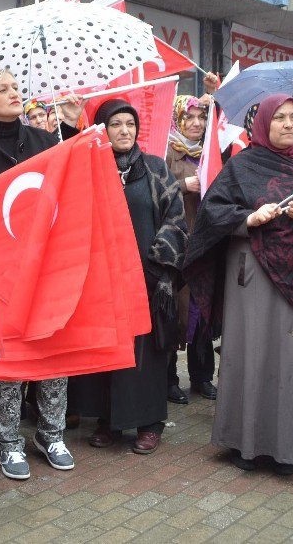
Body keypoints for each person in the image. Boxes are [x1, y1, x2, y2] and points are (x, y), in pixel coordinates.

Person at [184, 94, 293, 475]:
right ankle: (249, 444)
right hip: (257, 276)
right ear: (263, 124)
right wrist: (249, 219)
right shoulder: (242, 166)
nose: (289, 125)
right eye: (280, 118)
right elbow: (212, 215)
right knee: (255, 355)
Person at [0, 68, 78, 480]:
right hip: (0, 271)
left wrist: (72, 142)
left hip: (47, 263)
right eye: (4, 88)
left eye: (17, 85)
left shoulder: (45, 141)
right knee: (9, 356)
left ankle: (51, 433)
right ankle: (9, 441)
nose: (15, 92)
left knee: (53, 348)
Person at [69, 99, 187, 454]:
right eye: (115, 125)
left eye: (129, 125)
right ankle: (109, 422)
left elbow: (176, 217)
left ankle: (150, 424)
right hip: (103, 281)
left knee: (145, 357)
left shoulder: (154, 169)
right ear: (101, 130)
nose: (124, 131)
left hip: (147, 280)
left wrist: (157, 264)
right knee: (110, 353)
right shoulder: (90, 168)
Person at [164, 95, 217, 405]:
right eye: (189, 117)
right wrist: (185, 185)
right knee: (175, 313)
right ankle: (169, 379)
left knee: (203, 311)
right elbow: (159, 187)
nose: (196, 123)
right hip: (176, 243)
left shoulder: (211, 151)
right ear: (177, 119)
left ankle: (202, 377)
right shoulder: (167, 150)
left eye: (200, 117)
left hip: (204, 242)